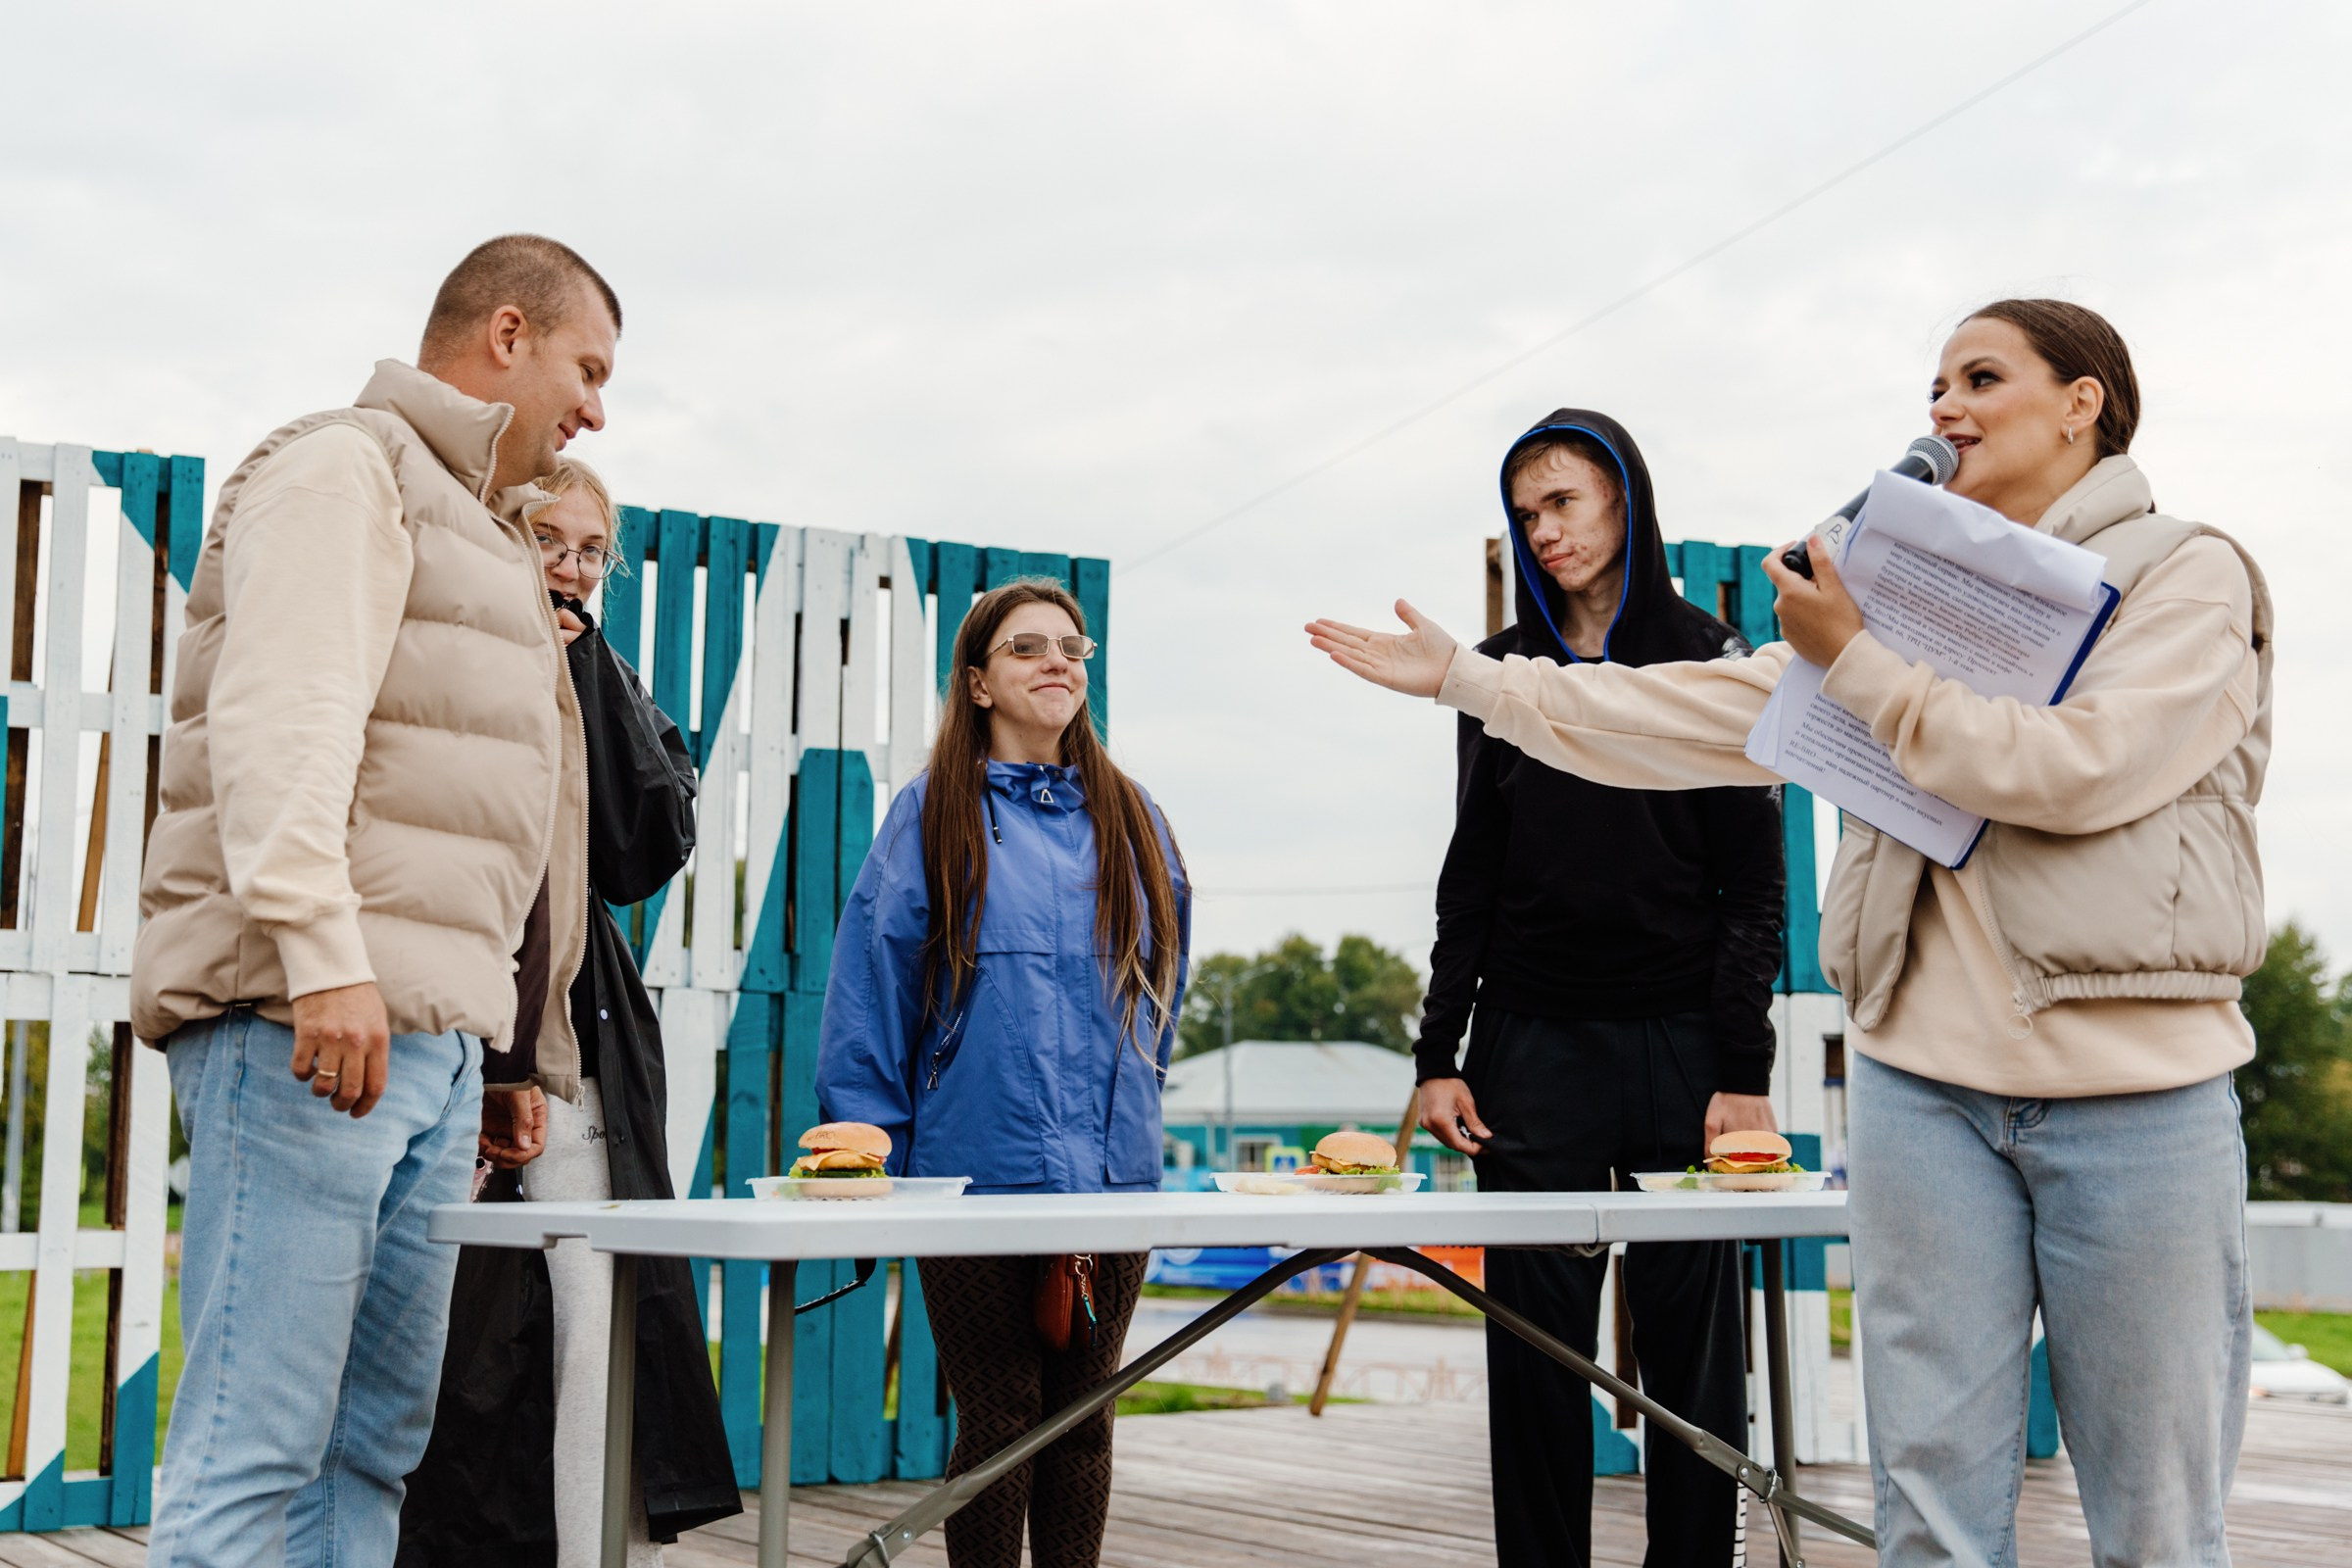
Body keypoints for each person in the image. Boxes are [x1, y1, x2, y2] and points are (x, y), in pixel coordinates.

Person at [1308, 298, 2267, 1567]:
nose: (1945, 407)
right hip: (1921, 1095)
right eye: (1934, 383)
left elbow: (2078, 768)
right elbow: (1708, 716)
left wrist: (1858, 664)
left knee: (2153, 1517)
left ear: (2085, 400)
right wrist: (1470, 681)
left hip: (2134, 1088)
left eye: (1981, 377)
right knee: (1924, 1508)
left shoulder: (2186, 575)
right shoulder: (1900, 608)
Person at [131, 234, 619, 1567]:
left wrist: (502, 1050)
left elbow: (491, 821)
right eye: (587, 369)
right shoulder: (348, 467)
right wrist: (319, 956)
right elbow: (283, 718)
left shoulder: (489, 535)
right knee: (259, 1442)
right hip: (307, 1028)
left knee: (373, 1447)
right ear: (506, 334)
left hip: (426, 1050)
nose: (595, 409)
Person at [1414, 409, 1784, 1567]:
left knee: (1695, 1362)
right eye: (1527, 513)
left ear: (1628, 498)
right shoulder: (1503, 675)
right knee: (1532, 1357)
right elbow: (1469, 874)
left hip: (1683, 1048)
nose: (1545, 529)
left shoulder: (1714, 658)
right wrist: (1439, 1052)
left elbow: (1753, 893)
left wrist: (1741, 1073)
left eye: (1565, 500)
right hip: (1530, 1051)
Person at [399, 459, 741, 1565]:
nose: (571, 567)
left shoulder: (604, 670)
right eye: (549, 539)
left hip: (575, 1033)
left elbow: (645, 846)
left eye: (593, 550)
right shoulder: (432, 641)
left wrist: (581, 661)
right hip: (434, 1021)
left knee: (596, 1306)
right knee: (433, 1318)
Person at [816, 579, 1190, 1568]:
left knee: (1085, 1414)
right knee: (1000, 1409)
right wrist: (866, 1141)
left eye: (1073, 647)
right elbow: (873, 979)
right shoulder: (932, 812)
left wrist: (1135, 1097)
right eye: (1028, 648)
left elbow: (1165, 983)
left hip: (1111, 1173)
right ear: (979, 682)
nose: (1058, 662)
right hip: (972, 1164)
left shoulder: (1135, 815)